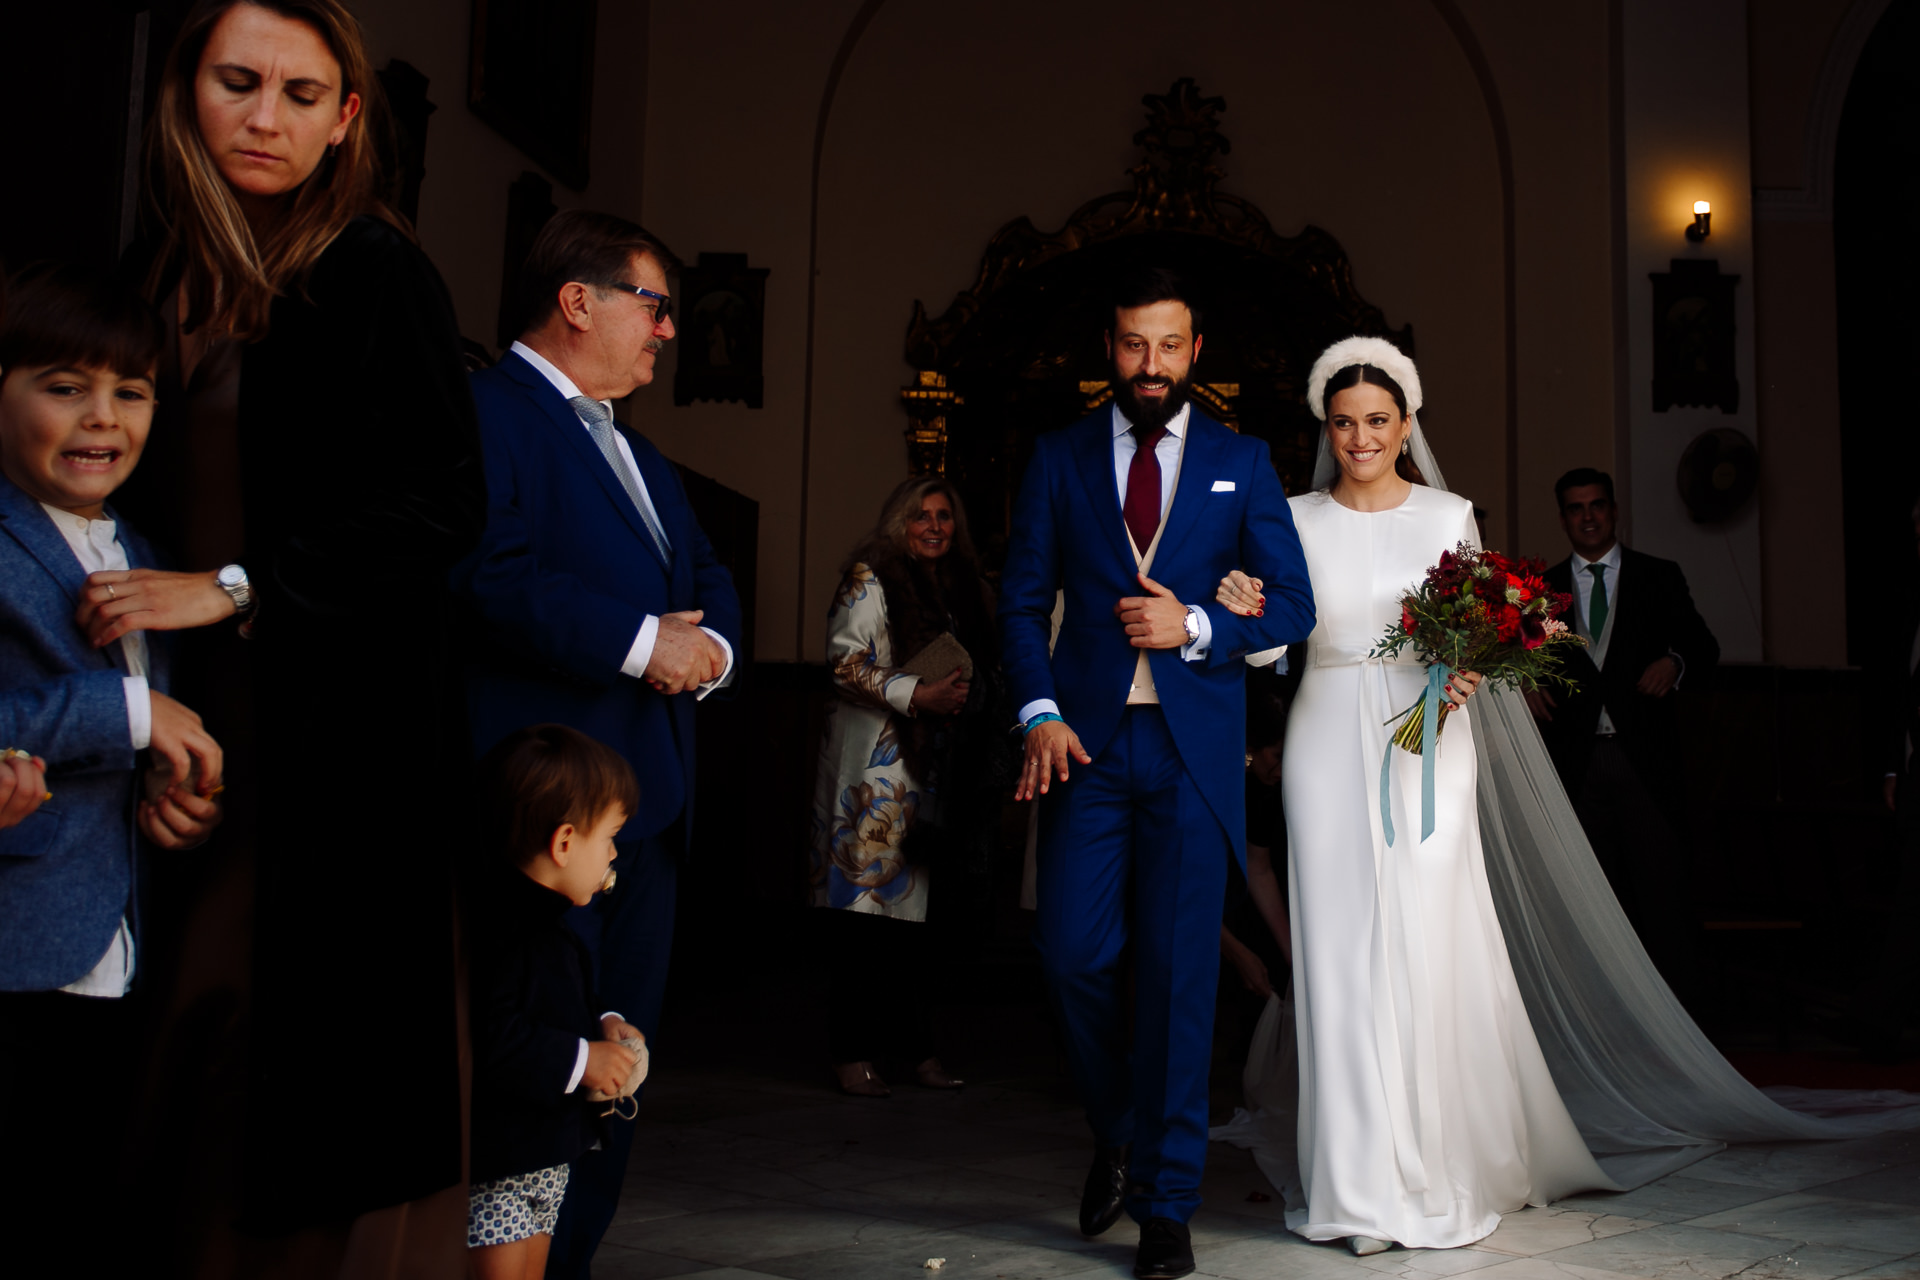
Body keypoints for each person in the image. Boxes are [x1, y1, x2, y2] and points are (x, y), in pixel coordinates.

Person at [1211, 338, 1898, 1254]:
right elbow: (1269, 650)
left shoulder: (1450, 514)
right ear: (1324, 429)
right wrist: (1244, 609)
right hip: (1325, 736)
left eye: (1378, 421)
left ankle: (1438, 1165)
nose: (1361, 438)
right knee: (1339, 956)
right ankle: (1355, 1181)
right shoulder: (1289, 516)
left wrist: (1468, 669)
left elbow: (1484, 632)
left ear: (1408, 424)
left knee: (1427, 938)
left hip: (1431, 740)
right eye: (1344, 424)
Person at [97, 0, 486, 1250]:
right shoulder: (149, 276)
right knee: (157, 1045)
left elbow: (441, 505)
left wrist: (240, 585)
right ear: (182, 92)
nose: (265, 119)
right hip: (161, 714)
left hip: (331, 737)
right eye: (237, 82)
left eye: (302, 95)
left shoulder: (374, 270)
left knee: (285, 1051)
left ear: (347, 120)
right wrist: (133, 714)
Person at [998, 266, 1315, 1280]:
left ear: (1195, 350)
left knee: (1180, 982)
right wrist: (1039, 709)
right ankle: (1121, 1126)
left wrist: (1202, 624)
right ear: (1111, 347)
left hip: (1191, 753)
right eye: (1134, 344)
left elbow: (1293, 605)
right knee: (1071, 956)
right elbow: (1018, 602)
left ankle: (1167, 1204)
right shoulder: (1057, 457)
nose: (1150, 364)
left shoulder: (1244, 459)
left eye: (1167, 346)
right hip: (1086, 746)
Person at [451, 208, 743, 1279]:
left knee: (624, 1070)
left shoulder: (646, 455)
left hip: (648, 813)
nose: (667, 330)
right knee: (536, 1068)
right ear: (580, 301)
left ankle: (573, 1259)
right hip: (543, 822)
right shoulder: (486, 413)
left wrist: (708, 652)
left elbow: (708, 577)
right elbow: (489, 574)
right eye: (654, 306)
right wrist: (637, 644)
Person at [0, 264, 224, 1247]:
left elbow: (144, 745)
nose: (102, 418)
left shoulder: (141, 544)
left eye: (129, 392)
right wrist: (132, 708)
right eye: (63, 386)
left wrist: (170, 804)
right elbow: (117, 712)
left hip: (116, 945)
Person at [809, 475, 998, 1097]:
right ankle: (850, 1053)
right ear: (899, 522)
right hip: (874, 776)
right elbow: (843, 662)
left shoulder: (961, 588)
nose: (935, 526)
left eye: (945, 516)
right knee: (863, 923)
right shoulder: (870, 576)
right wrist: (918, 693)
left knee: (920, 930)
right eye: (922, 516)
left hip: (938, 773)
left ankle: (916, 1052)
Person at [468, 725, 645, 1280]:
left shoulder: (555, 926)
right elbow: (492, 1034)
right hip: (498, 1162)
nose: (615, 853)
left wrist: (606, 1023)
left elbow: (561, 1000)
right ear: (564, 842)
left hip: (546, 1155)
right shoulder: (499, 931)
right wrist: (583, 1060)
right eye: (610, 836)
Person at [1531, 468, 1718, 986]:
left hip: (1644, 763)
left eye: (1596, 505)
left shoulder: (1658, 576)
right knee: (1589, 899)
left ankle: (1676, 1025)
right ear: (1564, 518)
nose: (1588, 517)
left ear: (1613, 510)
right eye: (1576, 508)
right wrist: (1523, 686)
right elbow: (1515, 662)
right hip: (1575, 766)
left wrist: (1675, 663)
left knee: (1661, 897)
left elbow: (1705, 650)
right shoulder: (1541, 590)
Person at [1219, 686, 1292, 1002]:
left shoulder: (1267, 790)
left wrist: (1293, 956)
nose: (1282, 768)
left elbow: (1259, 866)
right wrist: (1236, 951)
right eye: (1276, 755)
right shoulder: (1223, 785)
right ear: (1249, 746)